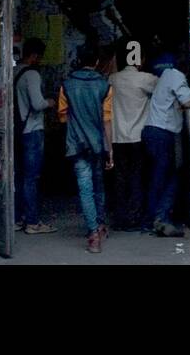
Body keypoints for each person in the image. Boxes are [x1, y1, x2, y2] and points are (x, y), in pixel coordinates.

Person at [59, 45, 112, 253]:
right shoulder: (105, 85)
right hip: (98, 144)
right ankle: (100, 224)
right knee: (99, 186)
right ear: (97, 62)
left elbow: (62, 116)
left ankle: (93, 235)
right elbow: (107, 120)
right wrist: (110, 148)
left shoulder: (66, 85)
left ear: (78, 60)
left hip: (77, 144)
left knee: (85, 188)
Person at [107, 40, 158, 230]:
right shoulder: (147, 79)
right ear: (141, 59)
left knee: (120, 179)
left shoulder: (113, 79)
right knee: (138, 177)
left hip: (118, 137)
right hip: (138, 137)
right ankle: (135, 218)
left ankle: (120, 219)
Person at [142, 52, 190, 237]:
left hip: (151, 131)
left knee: (158, 176)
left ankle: (153, 219)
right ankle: (159, 218)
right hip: (164, 132)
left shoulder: (162, 77)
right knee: (170, 176)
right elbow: (188, 102)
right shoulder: (175, 75)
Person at [14, 38, 55, 234]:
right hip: (32, 130)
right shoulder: (32, 74)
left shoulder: (14, 71)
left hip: (18, 130)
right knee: (32, 177)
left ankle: (17, 218)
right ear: (35, 56)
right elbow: (37, 104)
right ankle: (32, 221)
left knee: (20, 176)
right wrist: (50, 102)